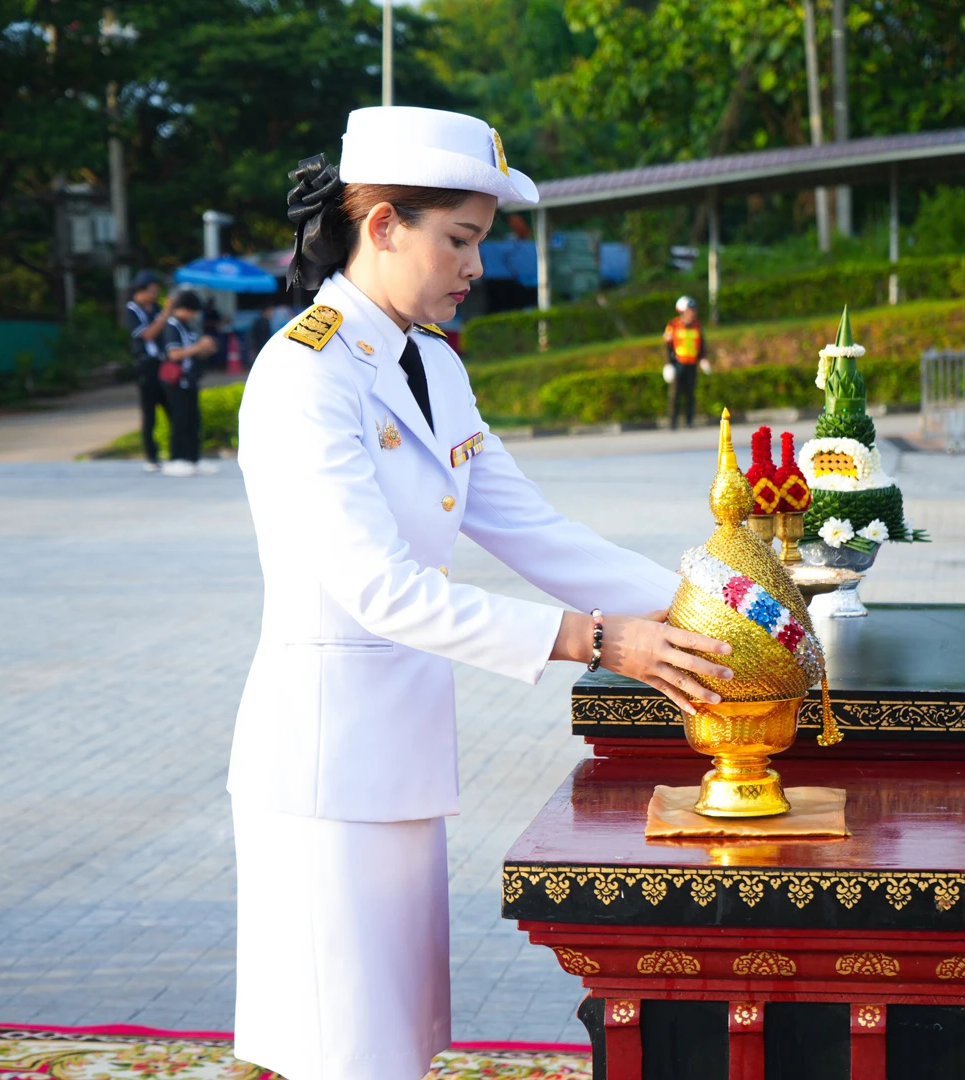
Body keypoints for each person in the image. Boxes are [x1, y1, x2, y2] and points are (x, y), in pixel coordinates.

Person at [231, 106, 734, 1080]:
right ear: (380, 225)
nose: (475, 268)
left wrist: (711, 604)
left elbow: (529, 528)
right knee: (345, 1049)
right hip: (326, 770)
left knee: (392, 1044)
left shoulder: (425, 363)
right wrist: (599, 642)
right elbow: (381, 588)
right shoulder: (305, 374)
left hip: (396, 759)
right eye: (458, 240)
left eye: (480, 242)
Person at [158, 290, 220, 477]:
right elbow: (174, 354)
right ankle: (176, 459)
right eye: (192, 311)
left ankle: (193, 459)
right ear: (183, 309)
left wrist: (206, 348)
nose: (194, 315)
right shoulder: (172, 326)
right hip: (175, 381)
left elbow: (192, 352)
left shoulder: (187, 326)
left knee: (193, 420)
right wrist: (199, 346)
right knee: (179, 420)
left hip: (189, 380)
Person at [125, 271, 170, 473]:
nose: (154, 296)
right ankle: (152, 456)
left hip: (162, 363)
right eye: (151, 292)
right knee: (149, 414)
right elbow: (148, 334)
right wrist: (166, 313)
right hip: (146, 366)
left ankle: (178, 453)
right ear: (140, 291)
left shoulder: (156, 309)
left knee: (173, 410)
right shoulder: (131, 310)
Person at [663, 295, 709, 429]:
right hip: (678, 364)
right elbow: (667, 346)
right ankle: (673, 423)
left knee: (690, 394)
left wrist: (703, 359)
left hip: (692, 363)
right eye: (690, 310)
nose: (693, 313)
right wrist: (668, 364)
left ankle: (689, 421)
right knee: (675, 395)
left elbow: (701, 344)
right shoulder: (673, 325)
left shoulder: (697, 325)